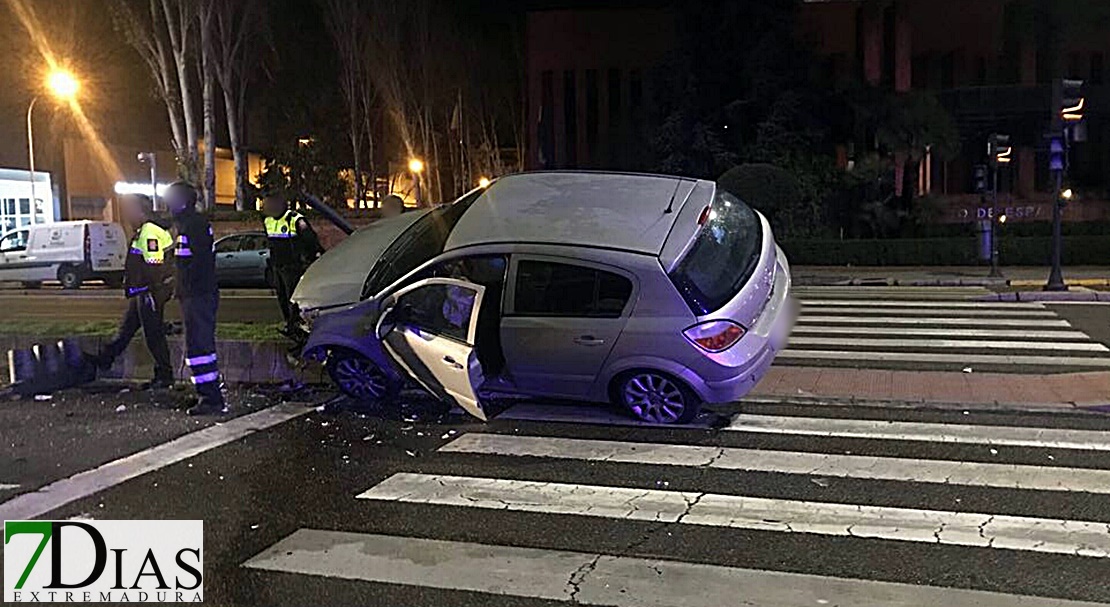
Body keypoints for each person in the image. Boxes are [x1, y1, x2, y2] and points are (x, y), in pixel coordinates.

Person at [89, 194, 174, 389]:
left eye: (130, 210)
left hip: (149, 292)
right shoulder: (144, 230)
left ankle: (165, 376)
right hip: (143, 292)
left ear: (140, 211)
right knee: (126, 330)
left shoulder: (149, 232)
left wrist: (151, 290)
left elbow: (155, 263)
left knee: (154, 335)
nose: (127, 215)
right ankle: (105, 358)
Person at [165, 181, 225, 416]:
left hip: (198, 295)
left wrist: (185, 285)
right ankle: (207, 393)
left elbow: (198, 264)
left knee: (200, 348)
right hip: (193, 294)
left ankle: (211, 398)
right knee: (198, 347)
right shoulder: (187, 225)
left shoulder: (194, 225)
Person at [262, 193, 323, 339]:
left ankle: (297, 326)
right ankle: (289, 325)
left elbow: (310, 241)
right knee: (282, 297)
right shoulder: (268, 220)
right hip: (278, 266)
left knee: (294, 299)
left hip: (293, 266)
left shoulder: (295, 219)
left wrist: (312, 256)